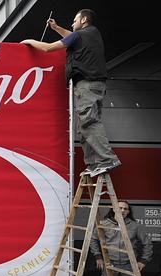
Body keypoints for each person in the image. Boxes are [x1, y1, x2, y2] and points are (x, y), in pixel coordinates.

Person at [20, 9, 121, 177]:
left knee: (88, 122)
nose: (72, 23)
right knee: (84, 127)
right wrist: (57, 28)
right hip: (95, 84)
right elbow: (72, 37)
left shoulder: (80, 35)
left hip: (87, 85)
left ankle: (107, 160)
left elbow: (49, 48)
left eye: (75, 20)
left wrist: (30, 41)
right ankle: (93, 164)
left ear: (84, 19)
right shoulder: (92, 34)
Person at [90, 201, 153, 276]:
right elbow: (93, 240)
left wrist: (143, 261)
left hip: (128, 264)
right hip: (110, 264)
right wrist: (98, 256)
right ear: (113, 209)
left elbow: (147, 243)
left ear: (128, 212)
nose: (122, 210)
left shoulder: (135, 226)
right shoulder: (104, 224)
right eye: (120, 208)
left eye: (125, 208)